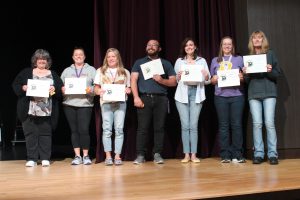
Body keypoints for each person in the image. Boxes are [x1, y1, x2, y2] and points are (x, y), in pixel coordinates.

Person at [12, 49, 63, 167]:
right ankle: (32, 158)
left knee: (45, 134)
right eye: (39, 59)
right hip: (29, 109)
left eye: (44, 59)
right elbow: (15, 85)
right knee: (30, 134)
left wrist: (54, 90)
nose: (41, 61)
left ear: (47, 61)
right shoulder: (26, 72)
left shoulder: (53, 74)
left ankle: (45, 158)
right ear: (35, 61)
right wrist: (23, 88)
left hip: (47, 110)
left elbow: (60, 91)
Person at [131, 39, 177, 164]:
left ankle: (157, 154)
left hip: (161, 99)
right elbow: (133, 80)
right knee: (142, 128)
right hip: (144, 98)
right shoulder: (139, 62)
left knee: (159, 128)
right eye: (148, 45)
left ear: (159, 49)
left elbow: (173, 82)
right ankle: (140, 155)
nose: (151, 47)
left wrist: (162, 81)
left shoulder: (165, 63)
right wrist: (136, 97)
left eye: (154, 45)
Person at [243, 30, 281, 165]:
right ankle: (258, 153)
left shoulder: (270, 54)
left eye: (260, 38)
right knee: (257, 124)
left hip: (269, 93)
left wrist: (270, 71)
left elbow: (277, 74)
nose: (257, 40)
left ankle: (272, 154)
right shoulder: (249, 57)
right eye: (254, 38)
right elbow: (247, 81)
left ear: (263, 40)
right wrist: (245, 73)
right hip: (254, 93)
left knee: (269, 123)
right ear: (251, 41)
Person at [174, 37, 211, 163]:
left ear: (195, 47)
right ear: (184, 48)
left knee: (193, 125)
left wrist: (206, 75)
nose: (189, 47)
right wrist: (178, 77)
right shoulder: (179, 61)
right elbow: (176, 79)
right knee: (185, 126)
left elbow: (208, 80)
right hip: (182, 95)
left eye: (191, 45)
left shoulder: (202, 61)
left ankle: (194, 154)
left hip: (197, 93)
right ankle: (186, 155)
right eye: (186, 45)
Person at [210, 36, 245, 163]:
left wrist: (242, 77)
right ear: (221, 46)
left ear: (232, 46)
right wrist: (213, 80)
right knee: (223, 126)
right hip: (220, 97)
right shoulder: (215, 60)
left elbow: (245, 76)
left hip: (237, 96)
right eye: (225, 44)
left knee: (236, 125)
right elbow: (211, 79)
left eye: (229, 44)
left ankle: (238, 154)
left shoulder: (239, 59)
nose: (227, 46)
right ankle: (225, 154)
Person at [94, 48, 131, 166]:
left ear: (117, 58)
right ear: (106, 58)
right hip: (106, 104)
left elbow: (129, 88)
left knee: (119, 130)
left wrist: (127, 90)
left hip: (120, 104)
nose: (111, 59)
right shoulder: (100, 71)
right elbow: (95, 88)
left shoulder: (125, 72)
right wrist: (99, 91)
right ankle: (108, 156)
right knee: (107, 130)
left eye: (113, 56)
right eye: (109, 56)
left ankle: (117, 156)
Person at [60, 47, 96, 165]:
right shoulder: (66, 71)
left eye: (81, 54)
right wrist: (62, 90)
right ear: (73, 57)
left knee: (84, 130)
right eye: (76, 55)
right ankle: (77, 156)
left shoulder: (91, 70)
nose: (78, 56)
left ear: (84, 57)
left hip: (85, 104)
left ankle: (86, 156)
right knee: (74, 131)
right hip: (69, 104)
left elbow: (97, 88)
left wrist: (89, 89)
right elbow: (59, 87)